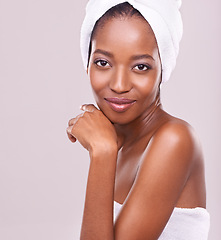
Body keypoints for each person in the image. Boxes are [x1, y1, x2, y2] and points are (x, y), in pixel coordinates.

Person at [67, 1, 210, 239]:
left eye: (141, 67)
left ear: (163, 69)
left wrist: (102, 151)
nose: (119, 85)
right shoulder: (118, 142)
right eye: (103, 63)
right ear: (87, 62)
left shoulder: (174, 140)